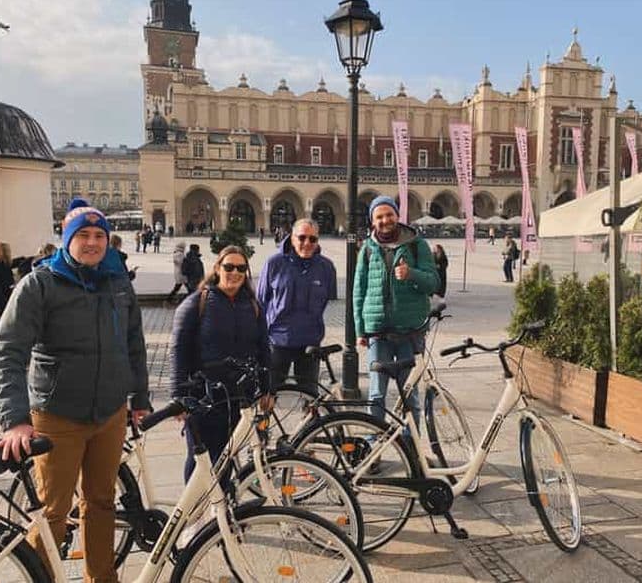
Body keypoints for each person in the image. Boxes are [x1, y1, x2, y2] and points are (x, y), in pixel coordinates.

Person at [0, 198, 150, 582]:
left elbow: (134, 344)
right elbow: (6, 352)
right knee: (52, 512)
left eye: (100, 235)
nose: (93, 242)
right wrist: (14, 420)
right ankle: (39, 576)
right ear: (66, 238)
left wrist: (139, 398)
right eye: (84, 235)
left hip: (109, 413)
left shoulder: (117, 284)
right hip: (58, 415)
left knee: (101, 503)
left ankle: (102, 577)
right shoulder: (40, 285)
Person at [169, 245, 271, 482]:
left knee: (227, 456)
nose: (234, 272)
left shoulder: (253, 305)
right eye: (229, 267)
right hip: (203, 396)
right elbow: (178, 349)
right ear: (217, 268)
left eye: (241, 268)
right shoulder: (198, 302)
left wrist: (268, 388)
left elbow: (264, 349)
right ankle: (193, 514)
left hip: (238, 396)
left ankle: (222, 511)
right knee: (200, 459)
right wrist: (178, 395)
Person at [353, 196, 439, 425]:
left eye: (389, 214)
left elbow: (433, 282)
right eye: (379, 217)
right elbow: (358, 291)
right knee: (376, 395)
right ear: (373, 221)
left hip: (410, 333)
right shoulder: (367, 249)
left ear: (397, 216)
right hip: (378, 333)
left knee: (410, 394)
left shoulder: (416, 244)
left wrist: (411, 273)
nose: (385, 220)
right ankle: (375, 442)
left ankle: (412, 445)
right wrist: (360, 330)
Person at [257, 219, 337, 394]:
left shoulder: (326, 267)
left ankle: (310, 421)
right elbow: (261, 302)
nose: (307, 243)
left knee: (310, 400)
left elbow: (325, 302)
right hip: (277, 343)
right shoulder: (274, 263)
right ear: (292, 239)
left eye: (312, 239)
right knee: (266, 398)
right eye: (301, 238)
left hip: (310, 345)